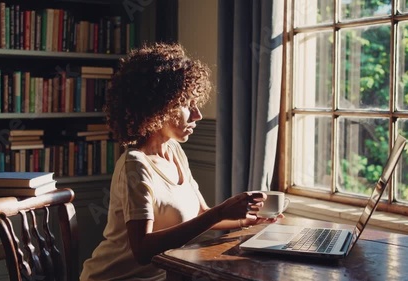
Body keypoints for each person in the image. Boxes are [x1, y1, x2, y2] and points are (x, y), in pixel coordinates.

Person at [80, 42, 278, 281]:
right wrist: (220, 212)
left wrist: (250, 220)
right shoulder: (135, 165)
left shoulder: (174, 151)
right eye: (186, 105)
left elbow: (200, 213)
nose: (198, 115)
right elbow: (142, 250)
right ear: (158, 108)